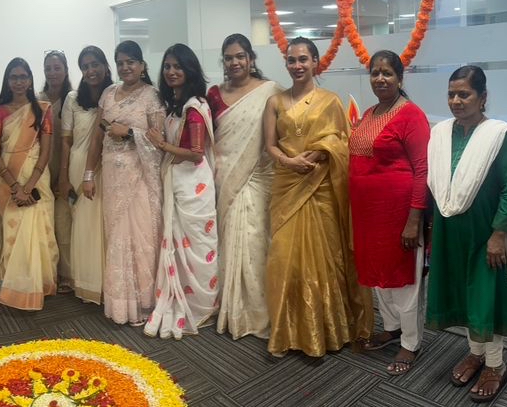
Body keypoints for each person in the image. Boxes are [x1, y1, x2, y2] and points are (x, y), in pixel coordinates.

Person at [426, 65, 507, 402]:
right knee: (462, 292)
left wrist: (499, 235)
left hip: (486, 231)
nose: (456, 101)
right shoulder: (441, 132)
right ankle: (475, 353)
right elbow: (435, 182)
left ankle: (495, 364)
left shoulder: (502, 135)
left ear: (483, 97)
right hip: (450, 229)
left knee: (487, 296)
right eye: (451, 94)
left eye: (464, 94)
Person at [262, 37, 368, 357]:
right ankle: (287, 331)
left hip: (321, 187)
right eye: (292, 60)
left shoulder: (330, 101)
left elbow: (343, 141)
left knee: (326, 259)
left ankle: (327, 331)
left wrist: (323, 152)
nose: (297, 66)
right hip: (287, 185)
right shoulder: (275, 102)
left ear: (315, 63)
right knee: (284, 259)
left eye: (303, 59)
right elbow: (270, 145)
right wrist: (289, 161)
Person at [350, 50, 430, 375]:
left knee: (404, 281)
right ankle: (393, 328)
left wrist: (414, 219)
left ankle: (410, 342)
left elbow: (423, 170)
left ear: (400, 78)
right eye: (375, 73)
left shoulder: (411, 115)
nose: (380, 79)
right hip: (369, 216)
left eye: (387, 73)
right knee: (379, 277)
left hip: (399, 214)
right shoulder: (369, 113)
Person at [143, 44, 220, 339]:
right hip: (176, 179)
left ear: (189, 70)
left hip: (193, 184)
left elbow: (196, 152)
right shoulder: (174, 104)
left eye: (177, 66)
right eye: (167, 66)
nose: (171, 72)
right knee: (179, 244)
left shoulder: (194, 107)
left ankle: (200, 304)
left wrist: (161, 144)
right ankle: (181, 296)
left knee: (197, 245)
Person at [209, 34, 279, 339]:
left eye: (240, 56)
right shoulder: (213, 94)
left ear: (251, 59)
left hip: (258, 175)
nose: (235, 62)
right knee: (227, 242)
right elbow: (207, 138)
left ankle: (258, 312)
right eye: (229, 58)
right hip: (223, 176)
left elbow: (282, 134)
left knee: (255, 241)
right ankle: (232, 307)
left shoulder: (270, 91)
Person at [91, 41, 164, 325]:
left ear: (142, 65)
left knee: (141, 236)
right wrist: (88, 174)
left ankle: (145, 303)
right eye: (120, 62)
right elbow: (98, 135)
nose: (125, 67)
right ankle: (122, 305)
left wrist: (131, 132)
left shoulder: (151, 96)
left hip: (140, 177)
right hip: (112, 176)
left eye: (131, 61)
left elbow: (160, 140)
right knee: (117, 235)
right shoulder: (108, 93)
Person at [0, 58, 57, 311]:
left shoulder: (42, 109)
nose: (19, 82)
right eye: (14, 77)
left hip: (36, 178)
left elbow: (46, 151)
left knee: (39, 231)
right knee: (14, 232)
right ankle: (16, 286)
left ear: (30, 80)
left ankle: (40, 283)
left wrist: (28, 187)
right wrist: (15, 186)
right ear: (7, 81)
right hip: (8, 179)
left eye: (23, 77)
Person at [62, 46, 110, 304]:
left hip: (108, 166)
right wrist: (63, 176)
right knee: (83, 225)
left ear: (105, 65)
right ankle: (87, 283)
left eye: (95, 64)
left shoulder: (115, 94)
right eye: (85, 66)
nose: (91, 70)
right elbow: (66, 141)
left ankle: (107, 285)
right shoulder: (73, 99)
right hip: (78, 165)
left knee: (104, 225)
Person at [40, 50, 74, 292]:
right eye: (48, 68)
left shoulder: (74, 99)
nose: (52, 73)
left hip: (66, 170)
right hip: (40, 170)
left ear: (66, 70)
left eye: (57, 68)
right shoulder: (37, 101)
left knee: (64, 224)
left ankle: (67, 274)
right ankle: (47, 273)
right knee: (44, 224)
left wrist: (64, 175)